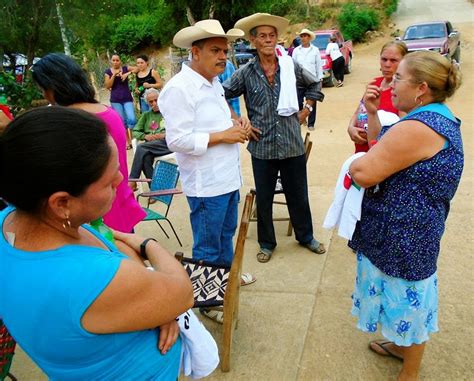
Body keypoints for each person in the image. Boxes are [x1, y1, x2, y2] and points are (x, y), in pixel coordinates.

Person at [0, 106, 194, 379]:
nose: (120, 180)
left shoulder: (10, 221)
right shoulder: (89, 277)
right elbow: (182, 293)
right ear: (62, 203)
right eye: (109, 181)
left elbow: (112, 243)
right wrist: (147, 244)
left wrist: (155, 304)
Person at [348, 51, 463, 380]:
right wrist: (372, 114)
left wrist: (355, 166)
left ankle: (409, 372)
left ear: (421, 88)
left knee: (410, 305)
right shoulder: (432, 116)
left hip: (407, 237)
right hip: (402, 232)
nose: (391, 83)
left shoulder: (419, 127)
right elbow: (379, 145)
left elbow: (365, 170)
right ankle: (400, 347)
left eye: (399, 78)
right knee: (399, 299)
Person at [159, 20, 256, 323]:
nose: (223, 57)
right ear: (195, 52)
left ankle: (224, 280)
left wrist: (238, 122)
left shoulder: (213, 82)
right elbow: (176, 140)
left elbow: (222, 110)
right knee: (207, 244)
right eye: (216, 50)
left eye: (225, 51)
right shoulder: (179, 89)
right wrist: (223, 137)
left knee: (225, 234)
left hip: (227, 178)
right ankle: (207, 303)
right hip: (206, 185)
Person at [223, 13, 326, 263]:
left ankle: (306, 237)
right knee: (265, 198)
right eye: (262, 36)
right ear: (254, 41)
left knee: (298, 194)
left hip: (291, 142)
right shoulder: (246, 72)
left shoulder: (290, 66)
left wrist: (306, 110)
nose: (268, 40)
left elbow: (315, 85)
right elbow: (221, 94)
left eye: (272, 36)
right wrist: (238, 120)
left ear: (277, 39)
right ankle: (267, 243)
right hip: (262, 146)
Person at [32, 53, 145, 233]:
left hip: (93, 216)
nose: (44, 95)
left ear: (52, 87)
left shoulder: (66, 120)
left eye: (42, 89)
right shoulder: (107, 112)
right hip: (117, 203)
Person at [347, 41, 408, 153]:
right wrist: (351, 128)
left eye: (393, 60)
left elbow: (404, 131)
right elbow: (358, 112)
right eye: (384, 59)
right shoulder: (374, 84)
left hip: (383, 156)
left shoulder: (402, 91)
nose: (387, 64)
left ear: (404, 63)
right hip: (362, 152)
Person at [128, 88, 172, 187]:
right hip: (152, 146)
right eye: (151, 102)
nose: (154, 103)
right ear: (147, 103)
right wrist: (145, 136)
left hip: (168, 143)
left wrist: (165, 135)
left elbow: (178, 129)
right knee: (145, 157)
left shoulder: (169, 112)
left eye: (156, 100)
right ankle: (154, 189)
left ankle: (132, 180)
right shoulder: (146, 115)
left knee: (141, 147)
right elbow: (135, 131)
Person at [292, 28, 323, 130]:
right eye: (302, 36)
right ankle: (302, 117)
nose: (303, 38)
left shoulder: (315, 50)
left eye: (305, 36)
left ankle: (311, 123)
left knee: (312, 100)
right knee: (298, 101)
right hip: (299, 80)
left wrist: (320, 80)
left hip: (312, 81)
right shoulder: (296, 51)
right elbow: (293, 65)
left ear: (309, 38)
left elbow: (319, 65)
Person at [104, 54, 137, 149]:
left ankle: (133, 138)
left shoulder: (126, 68)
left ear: (120, 61)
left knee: (132, 119)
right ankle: (128, 141)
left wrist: (127, 74)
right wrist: (114, 75)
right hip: (116, 100)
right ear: (111, 61)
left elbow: (137, 69)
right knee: (122, 122)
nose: (115, 62)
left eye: (117, 60)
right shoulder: (108, 72)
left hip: (127, 98)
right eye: (113, 60)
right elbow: (107, 86)